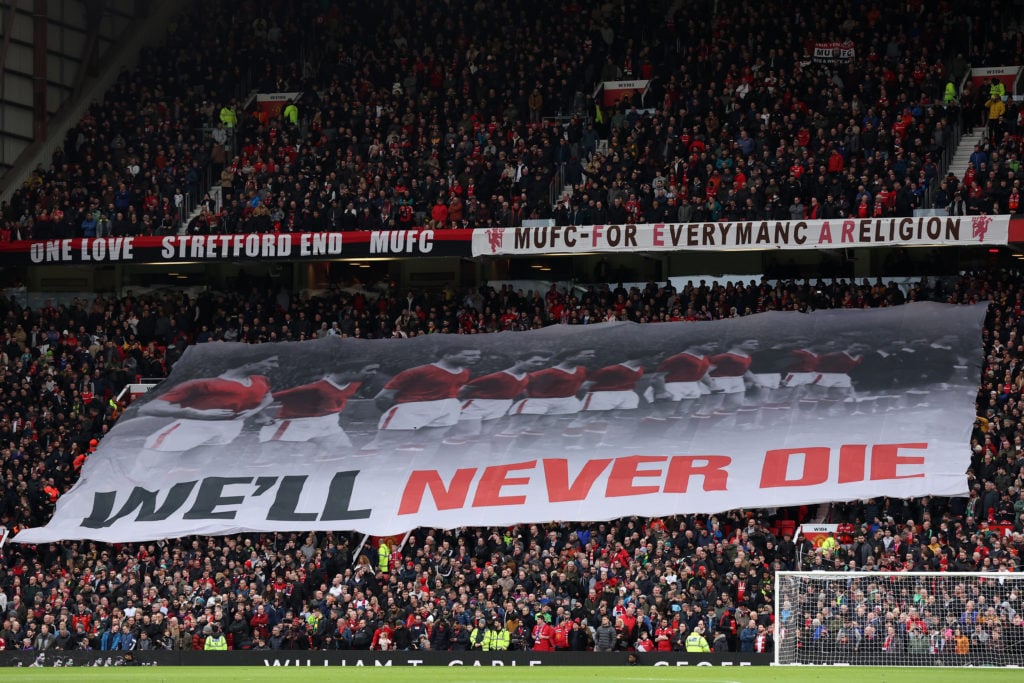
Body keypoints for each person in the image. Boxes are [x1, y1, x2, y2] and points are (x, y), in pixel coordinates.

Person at [138, 356, 278, 452]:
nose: (274, 366)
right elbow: (148, 408)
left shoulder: (261, 380)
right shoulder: (202, 384)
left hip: (231, 428)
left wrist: (256, 413)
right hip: (194, 426)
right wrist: (191, 413)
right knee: (154, 463)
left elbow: (267, 397)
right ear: (249, 364)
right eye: (270, 362)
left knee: (198, 464)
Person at [256, 363, 379, 448]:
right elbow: (263, 398)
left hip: (329, 425)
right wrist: (261, 416)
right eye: (369, 370)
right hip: (296, 425)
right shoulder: (313, 387)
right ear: (350, 372)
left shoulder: (355, 382)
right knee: (272, 461)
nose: (374, 373)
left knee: (342, 455)